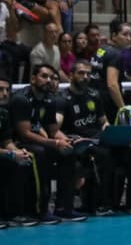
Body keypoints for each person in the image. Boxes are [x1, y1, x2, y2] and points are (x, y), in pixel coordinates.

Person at [55, 60, 131, 215]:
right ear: (71, 75)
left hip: (99, 139)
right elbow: (55, 128)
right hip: (79, 142)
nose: (85, 77)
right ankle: (102, 205)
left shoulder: (94, 95)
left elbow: (103, 122)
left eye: (88, 73)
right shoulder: (62, 98)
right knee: (104, 155)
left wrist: (111, 132)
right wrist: (65, 139)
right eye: (81, 73)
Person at [9, 63, 85, 223]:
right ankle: (40, 210)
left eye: (51, 77)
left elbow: (53, 130)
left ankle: (64, 207)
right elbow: (25, 134)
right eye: (44, 76)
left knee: (69, 153)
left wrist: (66, 141)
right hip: (17, 144)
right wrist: (54, 143)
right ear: (33, 78)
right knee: (40, 154)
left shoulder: (50, 100)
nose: (48, 80)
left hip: (39, 141)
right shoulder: (21, 99)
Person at [0, 74, 38, 227]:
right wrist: (9, 153)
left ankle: (15, 213)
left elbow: (7, 141)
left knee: (22, 162)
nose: (4, 94)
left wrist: (17, 152)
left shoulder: (3, 113)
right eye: (0, 90)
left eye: (7, 90)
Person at [89, 19, 130, 124]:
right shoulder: (116, 55)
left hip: (93, 99)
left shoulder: (101, 49)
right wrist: (122, 108)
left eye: (130, 34)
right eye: (125, 34)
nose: (129, 38)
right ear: (114, 35)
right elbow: (112, 85)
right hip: (107, 104)